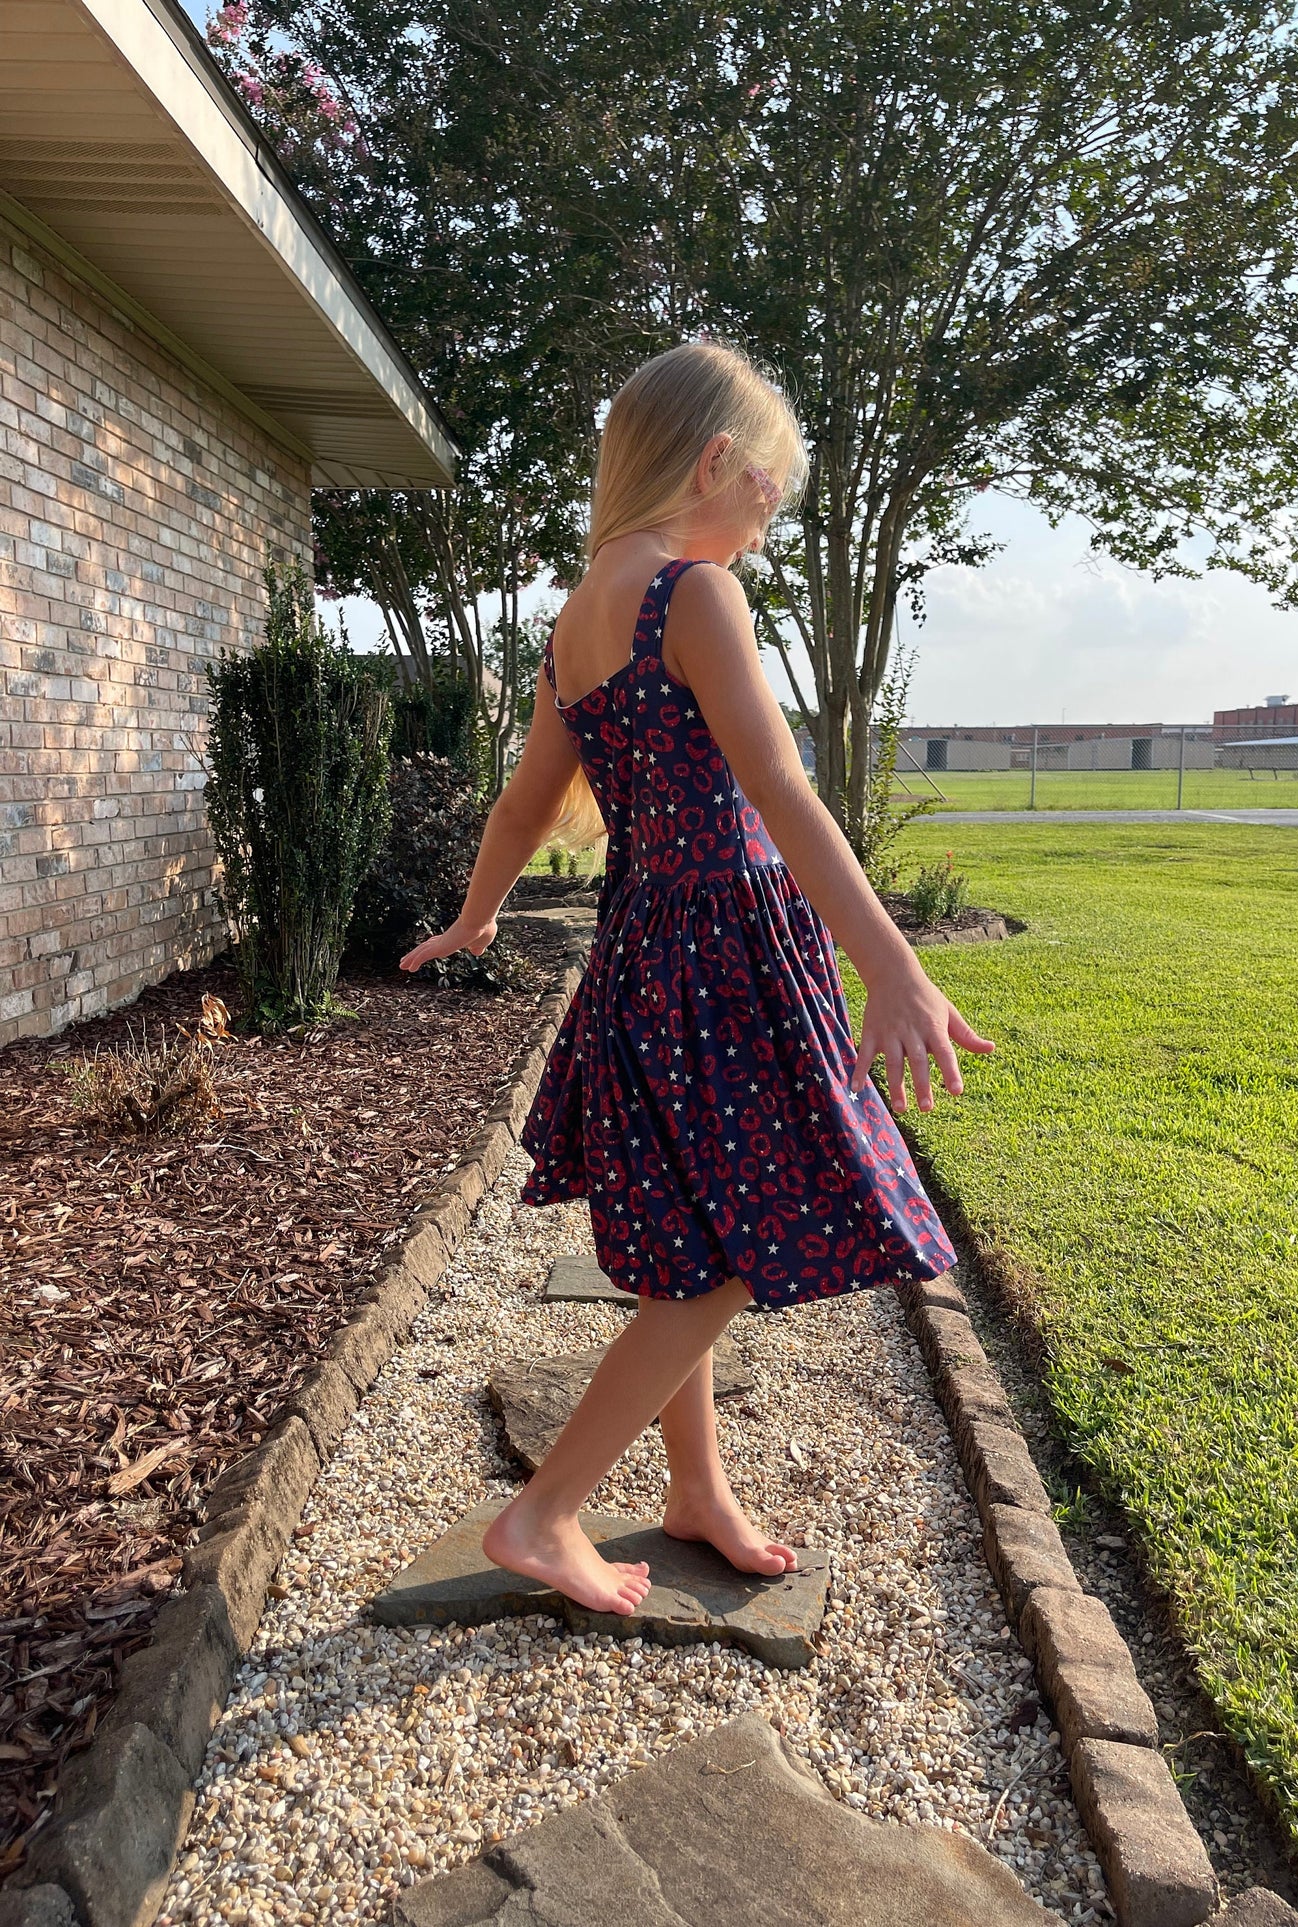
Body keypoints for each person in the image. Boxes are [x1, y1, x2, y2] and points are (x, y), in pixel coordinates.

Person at [400, 342, 994, 1617]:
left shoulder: (576, 616)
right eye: (768, 489)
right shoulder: (693, 594)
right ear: (713, 462)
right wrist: (890, 966)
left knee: (687, 1241)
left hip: (641, 957)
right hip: (727, 958)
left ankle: (696, 1493)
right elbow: (781, 793)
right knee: (740, 1247)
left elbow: (523, 803)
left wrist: (475, 915)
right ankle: (541, 1511)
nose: (769, 519)